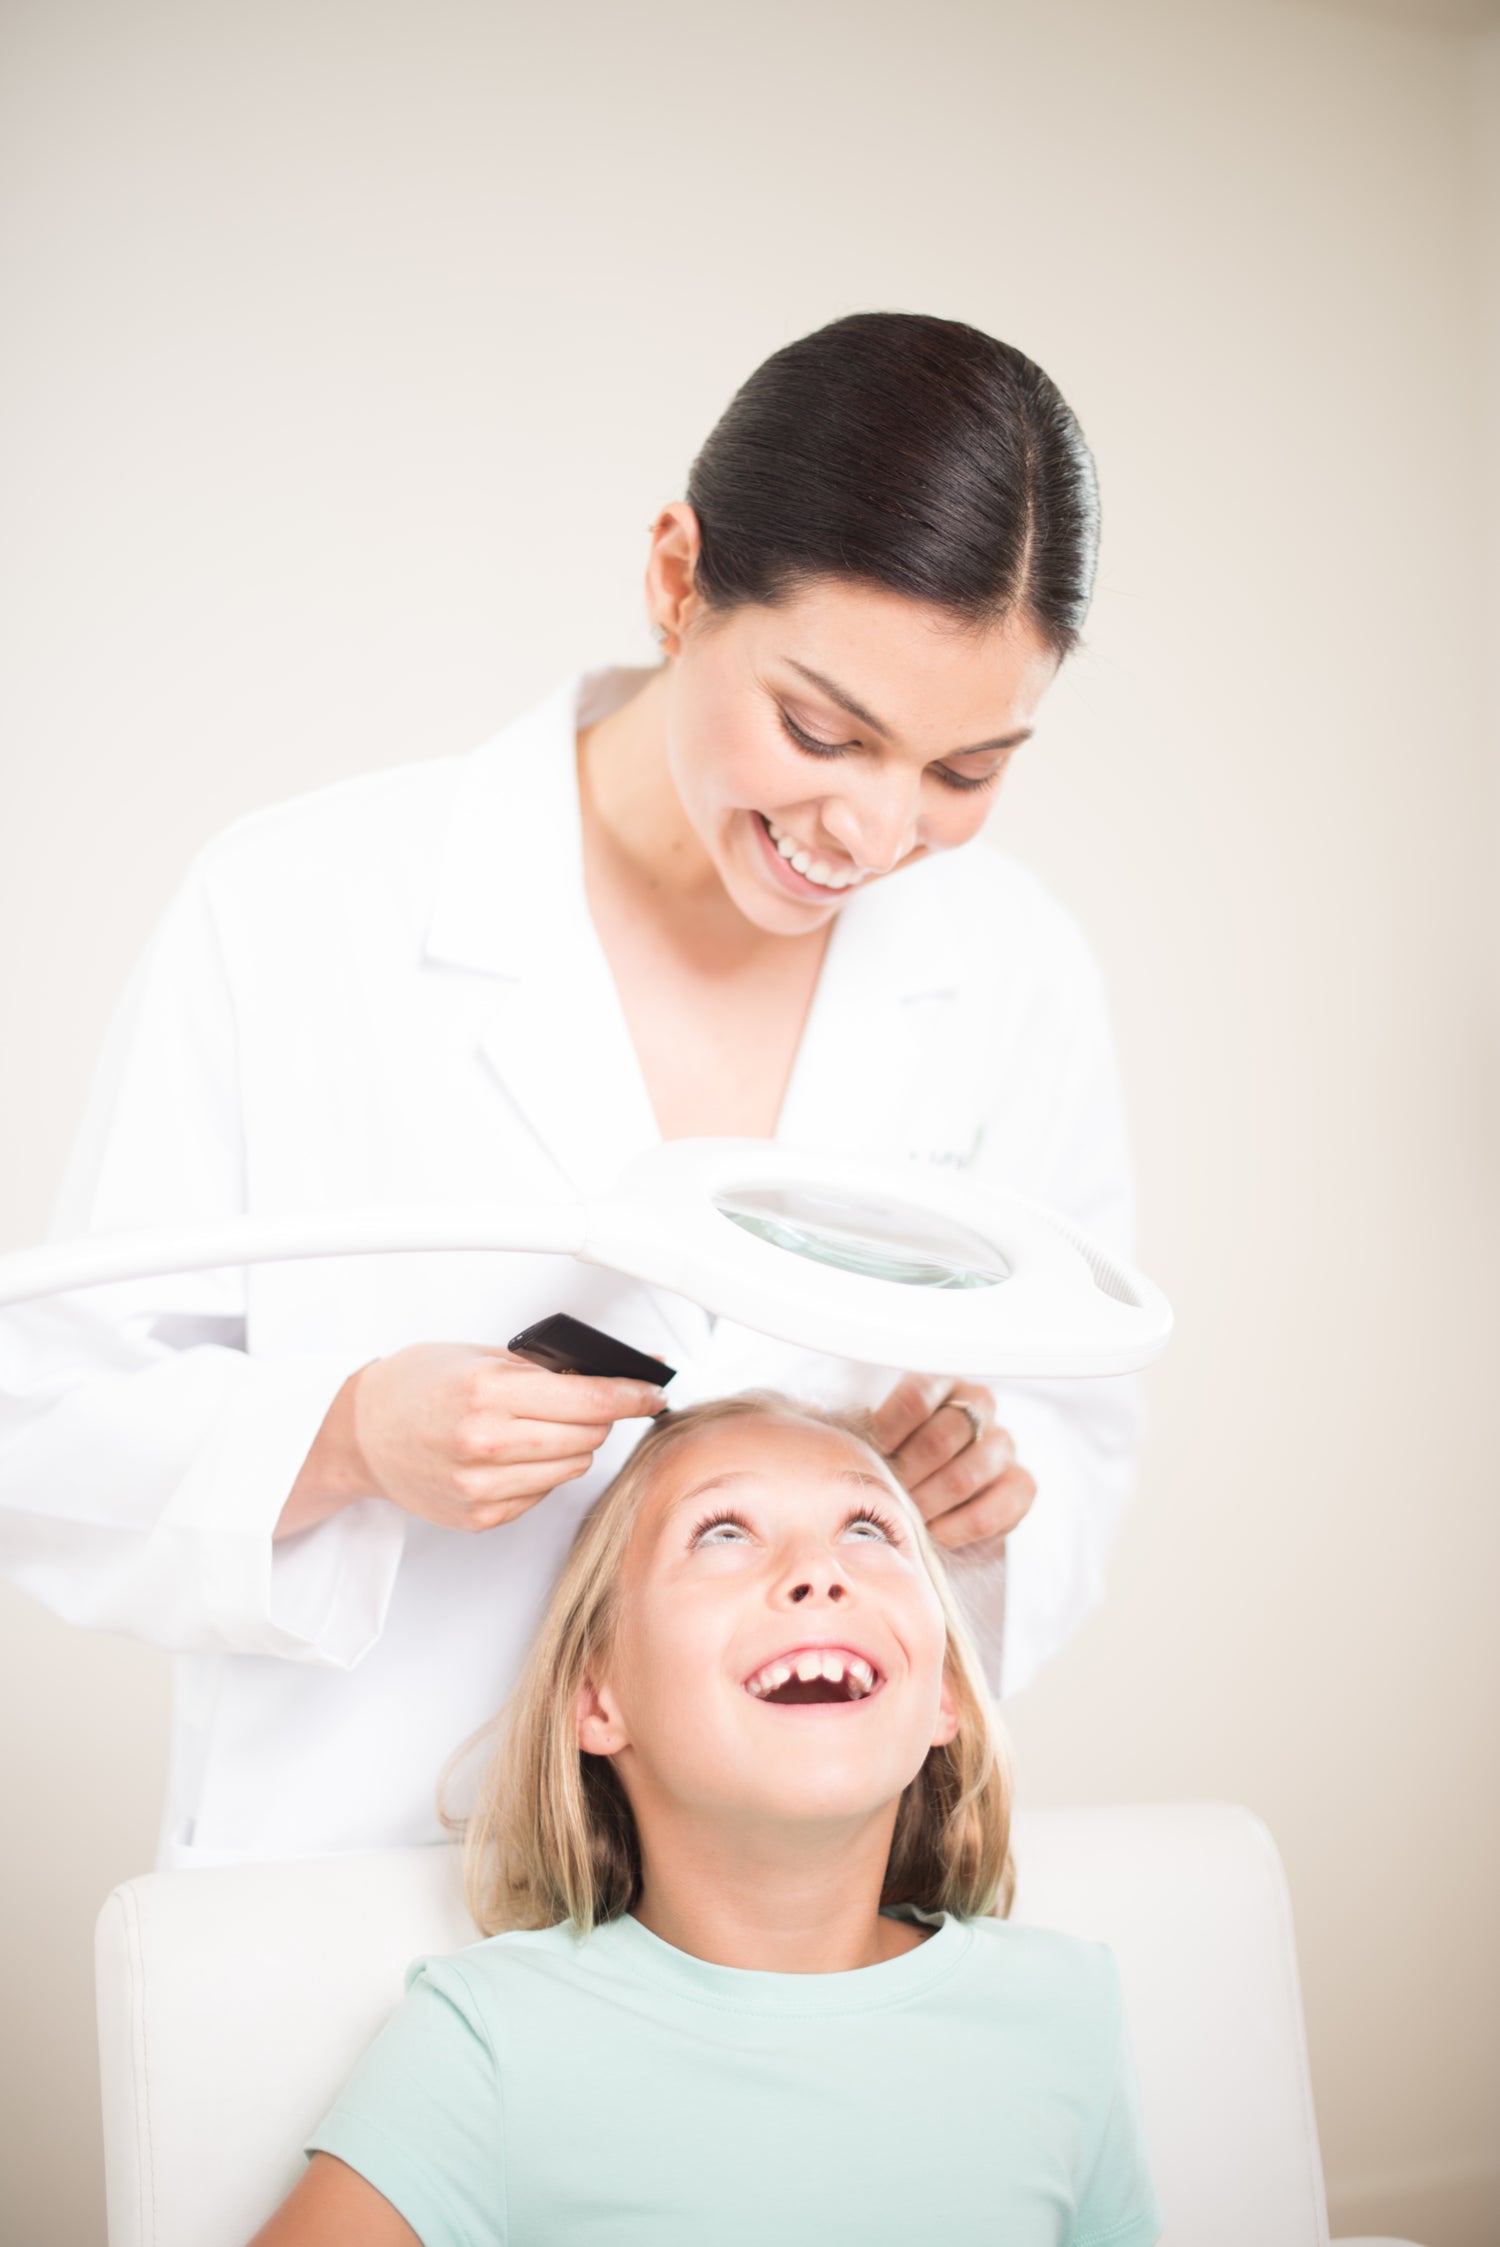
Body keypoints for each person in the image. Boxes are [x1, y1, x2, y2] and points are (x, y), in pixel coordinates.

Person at [0, 312, 1143, 1867]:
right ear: (679, 578)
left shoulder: (1015, 973)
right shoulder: (295, 906)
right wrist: (345, 1435)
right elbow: (53, 1423)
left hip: (781, 1919)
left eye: (963, 770)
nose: (873, 830)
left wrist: (983, 1497)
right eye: (822, 728)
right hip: (362, 1876)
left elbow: (1078, 1427)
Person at [251, 1394, 1162, 2247]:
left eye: (867, 1529)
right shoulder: (490, 2038)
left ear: (946, 1695)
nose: (819, 1571)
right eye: (723, 1533)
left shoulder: (1068, 2009)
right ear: (598, 1696)